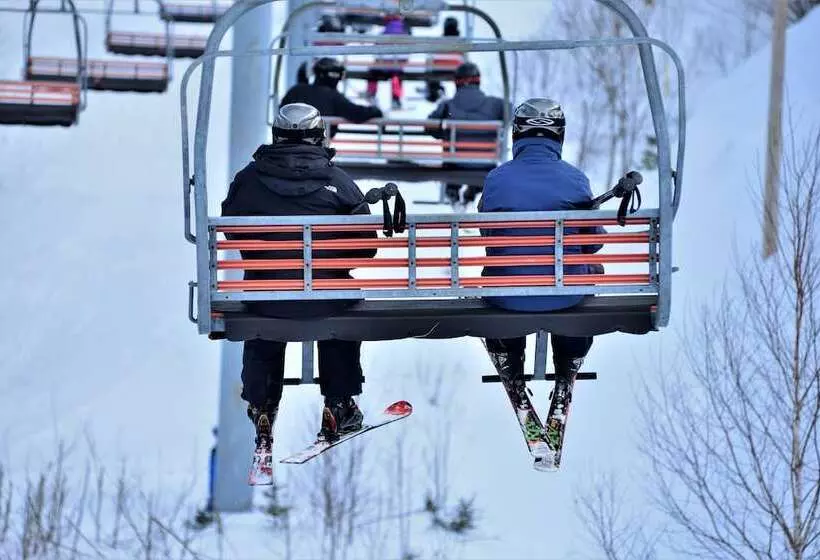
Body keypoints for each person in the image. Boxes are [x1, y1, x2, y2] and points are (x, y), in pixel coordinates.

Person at [220, 103, 378, 462]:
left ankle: (262, 406)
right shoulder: (337, 181)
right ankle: (339, 403)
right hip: (326, 299)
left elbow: (230, 231)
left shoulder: (248, 180)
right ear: (317, 135)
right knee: (338, 309)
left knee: (264, 320)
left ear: (277, 135)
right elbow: (366, 246)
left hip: (266, 298)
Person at [478, 98, 605, 452]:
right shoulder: (575, 179)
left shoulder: (496, 179)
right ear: (558, 135)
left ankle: (507, 356)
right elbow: (591, 245)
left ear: (516, 135)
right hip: (565, 295)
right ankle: (569, 363)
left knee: (505, 277)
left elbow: (490, 238)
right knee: (584, 278)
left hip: (508, 296)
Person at [426, 62, 506, 207]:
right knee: (481, 163)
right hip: (485, 165)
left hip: (455, 165)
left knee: (452, 156)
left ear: (457, 82)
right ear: (478, 81)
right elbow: (513, 116)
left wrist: (443, 133)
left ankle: (453, 192)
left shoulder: (447, 106)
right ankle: (472, 193)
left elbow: (429, 127)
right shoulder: (496, 105)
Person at [283, 57, 383, 135]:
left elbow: (283, 109)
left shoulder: (296, 90)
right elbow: (357, 113)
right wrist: (376, 111)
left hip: (287, 142)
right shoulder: (333, 97)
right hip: (315, 148)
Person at [365, 14, 410, 109]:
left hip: (382, 65)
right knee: (397, 77)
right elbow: (408, 53)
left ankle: (371, 94)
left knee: (373, 73)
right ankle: (396, 98)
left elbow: (375, 50)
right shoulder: (405, 33)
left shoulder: (384, 33)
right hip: (397, 67)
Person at [425, 16, 461, 103]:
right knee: (462, 77)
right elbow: (464, 58)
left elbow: (430, 56)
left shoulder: (439, 40)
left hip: (439, 69)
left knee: (431, 74)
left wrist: (430, 65)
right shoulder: (460, 41)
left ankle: (434, 92)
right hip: (456, 70)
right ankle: (460, 94)